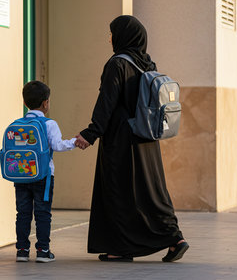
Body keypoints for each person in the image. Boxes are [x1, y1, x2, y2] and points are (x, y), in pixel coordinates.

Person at [75, 15, 189, 262]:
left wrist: (91, 133)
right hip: (146, 139)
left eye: (112, 33)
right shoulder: (146, 63)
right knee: (151, 190)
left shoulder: (117, 64)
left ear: (122, 36)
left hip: (121, 140)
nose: (109, 38)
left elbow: (107, 102)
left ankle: (120, 248)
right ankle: (175, 238)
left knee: (118, 191)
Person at [15, 81, 76, 263]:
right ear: (45, 103)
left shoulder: (18, 124)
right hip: (44, 176)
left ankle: (22, 251)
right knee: (43, 213)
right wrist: (75, 141)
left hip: (21, 175)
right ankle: (43, 250)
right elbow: (58, 145)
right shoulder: (49, 123)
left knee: (23, 213)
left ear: (25, 103)